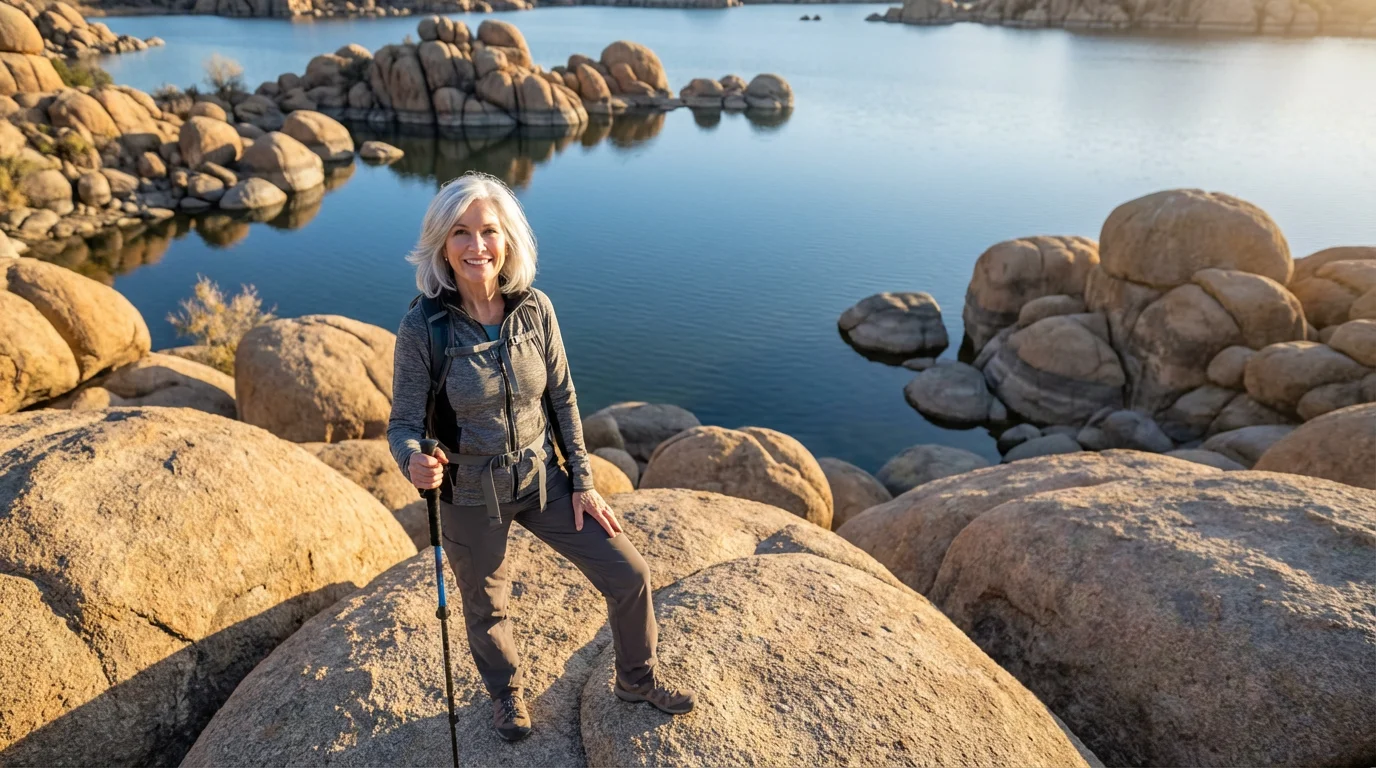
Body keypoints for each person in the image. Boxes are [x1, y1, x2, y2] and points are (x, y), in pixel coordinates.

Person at [387, 172, 696, 743]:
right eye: (461, 233)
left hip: (543, 480)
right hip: (470, 493)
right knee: (487, 608)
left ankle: (636, 678)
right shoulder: (422, 328)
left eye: (487, 231)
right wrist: (413, 460)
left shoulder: (535, 310)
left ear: (507, 239)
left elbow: (563, 397)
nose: (476, 246)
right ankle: (505, 695)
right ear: (441, 244)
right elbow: (404, 424)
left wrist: (582, 479)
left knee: (630, 573)